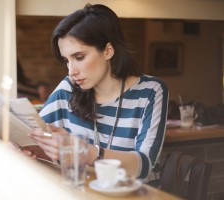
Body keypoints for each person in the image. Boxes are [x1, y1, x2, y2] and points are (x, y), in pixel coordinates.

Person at [24, 4, 168, 187]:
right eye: (66, 61)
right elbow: (35, 135)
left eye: (79, 57)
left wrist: (88, 152)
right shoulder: (67, 89)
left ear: (108, 50)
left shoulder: (150, 91)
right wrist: (27, 149)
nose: (71, 71)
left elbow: (146, 165)